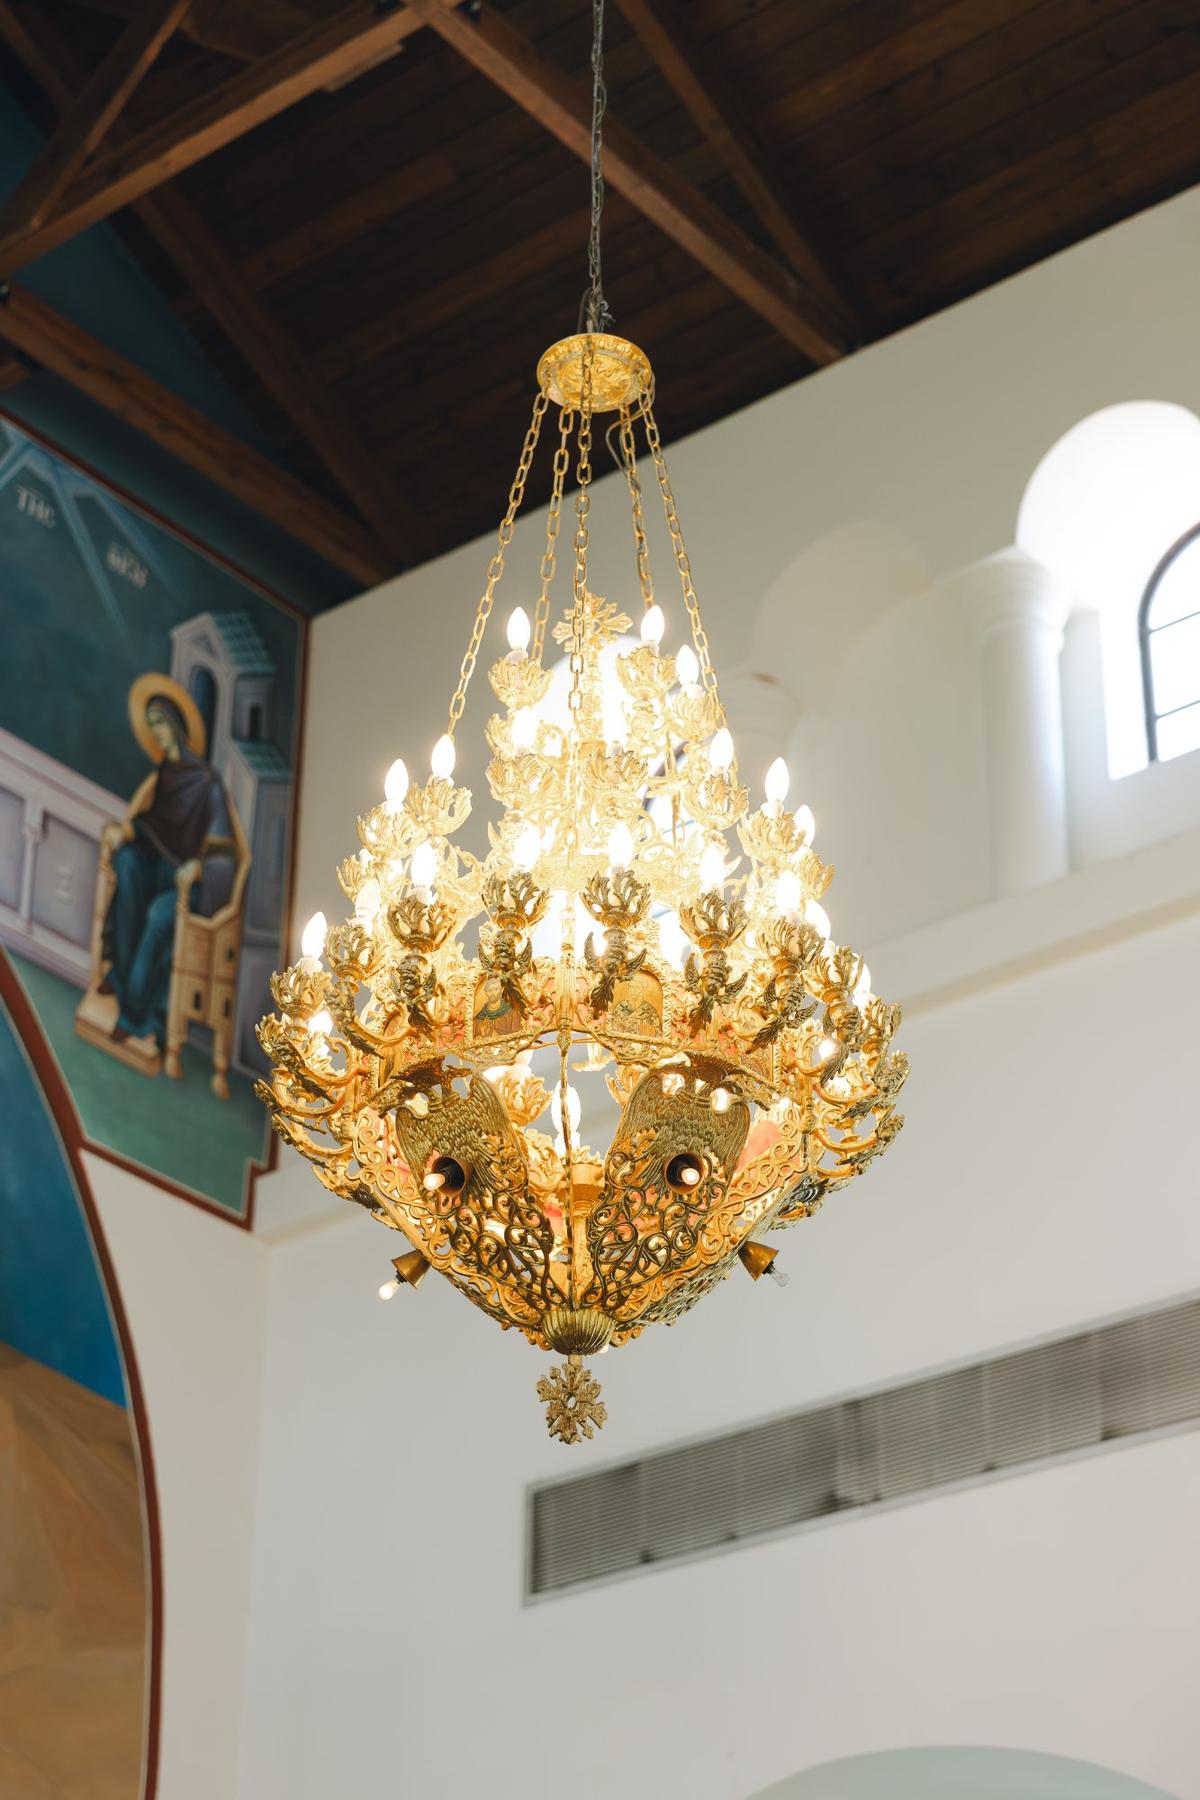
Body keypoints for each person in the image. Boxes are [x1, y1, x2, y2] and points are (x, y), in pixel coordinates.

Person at [100, 693, 235, 1048]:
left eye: (159, 723)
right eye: (150, 726)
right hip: (159, 865)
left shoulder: (206, 782)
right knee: (127, 865)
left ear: (174, 724)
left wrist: (198, 867)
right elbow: (156, 826)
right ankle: (122, 975)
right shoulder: (166, 773)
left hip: (188, 881)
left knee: (160, 914)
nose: (156, 732)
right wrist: (126, 831)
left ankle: (133, 1012)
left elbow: (223, 845)